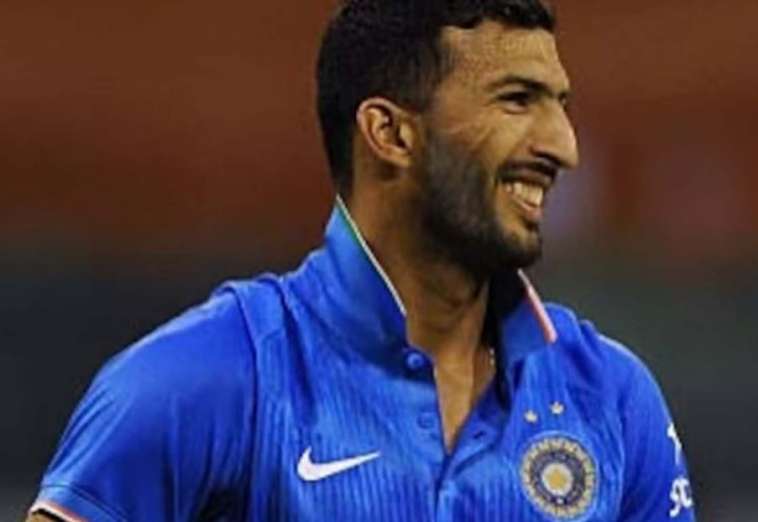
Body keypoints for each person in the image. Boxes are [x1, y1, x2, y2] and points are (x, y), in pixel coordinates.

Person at [27, 1, 695, 520]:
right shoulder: (203, 381)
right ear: (391, 133)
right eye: (517, 100)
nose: (563, 146)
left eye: (560, 105)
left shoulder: (610, 396)